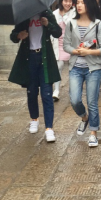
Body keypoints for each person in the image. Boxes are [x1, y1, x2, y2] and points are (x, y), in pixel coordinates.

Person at [9, 9, 62, 143]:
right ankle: (34, 119)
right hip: (30, 57)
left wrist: (48, 24)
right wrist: (19, 35)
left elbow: (58, 32)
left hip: (44, 57)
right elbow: (13, 36)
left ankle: (49, 128)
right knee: (31, 92)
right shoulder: (23, 15)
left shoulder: (47, 14)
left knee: (47, 94)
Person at [64, 0, 101, 148]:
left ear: (90, 4)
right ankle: (84, 118)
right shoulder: (71, 23)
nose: (79, 5)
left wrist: (88, 52)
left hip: (93, 68)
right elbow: (66, 45)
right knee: (75, 100)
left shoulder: (98, 24)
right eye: (77, 2)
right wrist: (76, 51)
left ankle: (93, 133)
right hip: (75, 67)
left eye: (82, 2)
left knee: (92, 101)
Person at [52, 0, 74, 102]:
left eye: (70, 1)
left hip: (70, 43)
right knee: (59, 66)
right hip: (59, 43)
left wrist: (65, 17)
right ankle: (56, 90)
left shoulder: (74, 13)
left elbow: (73, 26)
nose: (68, 3)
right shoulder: (54, 13)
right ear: (61, 1)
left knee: (73, 68)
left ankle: (73, 90)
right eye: (66, 1)